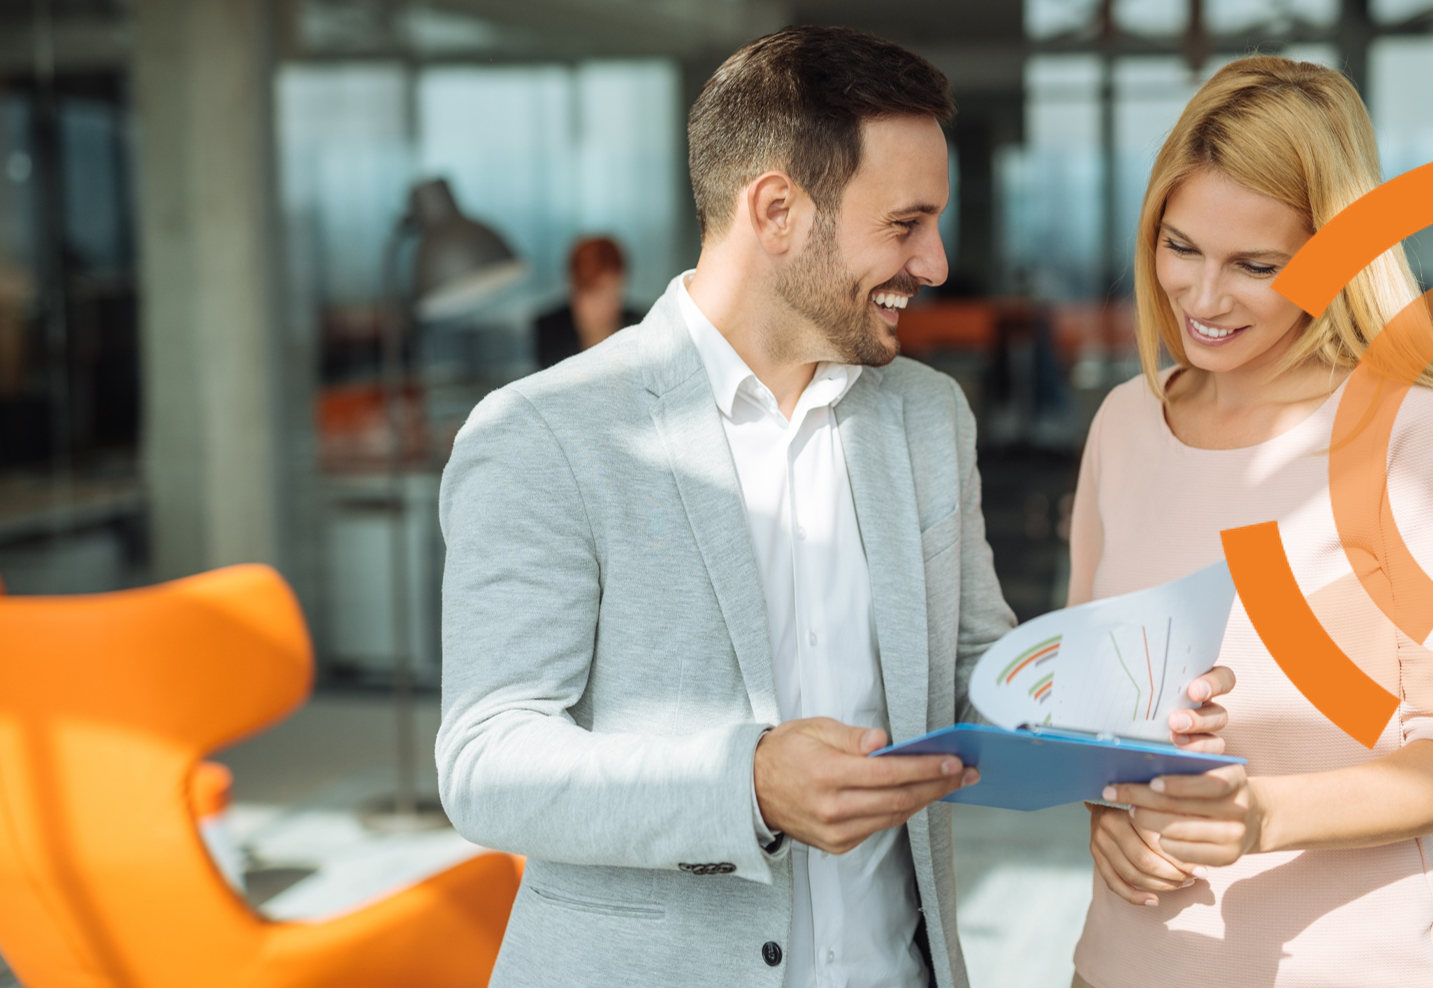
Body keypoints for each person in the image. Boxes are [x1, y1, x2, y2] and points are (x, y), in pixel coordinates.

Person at [437, 25, 1235, 988]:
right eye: (904, 225)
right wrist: (750, 784)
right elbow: (489, 763)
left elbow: (975, 664)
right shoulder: (545, 434)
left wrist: (1120, 707)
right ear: (776, 209)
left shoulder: (926, 416)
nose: (935, 263)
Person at [1066, 57, 1433, 988]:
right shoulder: (1124, 423)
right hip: (1123, 962)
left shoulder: (1413, 435)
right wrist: (1103, 815)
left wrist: (1262, 816)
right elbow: (1088, 716)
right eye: (1179, 246)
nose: (1203, 296)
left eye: (1256, 266)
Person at [532, 235, 642, 368]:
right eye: (596, 295)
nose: (608, 306)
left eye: (614, 294)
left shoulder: (642, 328)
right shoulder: (550, 332)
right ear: (575, 294)